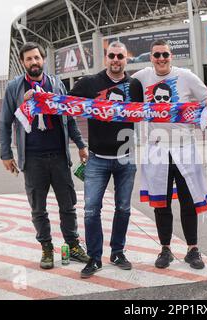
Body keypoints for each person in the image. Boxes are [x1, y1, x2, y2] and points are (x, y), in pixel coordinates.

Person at [131, 39, 207, 270]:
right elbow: (122, 95)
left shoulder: (186, 76)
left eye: (165, 55)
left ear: (172, 56)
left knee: (187, 200)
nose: (161, 59)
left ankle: (192, 249)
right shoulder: (141, 77)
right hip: (157, 148)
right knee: (160, 204)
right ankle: (165, 249)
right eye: (157, 55)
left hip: (184, 147)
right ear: (151, 57)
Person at [0, 42, 90, 269]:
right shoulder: (14, 88)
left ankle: (73, 245)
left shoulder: (56, 84)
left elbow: (68, 117)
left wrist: (80, 144)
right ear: (23, 63)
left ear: (43, 60)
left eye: (37, 58)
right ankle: (47, 249)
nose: (34, 62)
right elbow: (4, 122)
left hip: (59, 155)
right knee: (38, 208)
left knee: (67, 204)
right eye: (29, 59)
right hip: (32, 159)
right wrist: (5, 153)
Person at [67, 41, 143, 278]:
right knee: (91, 210)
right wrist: (37, 97)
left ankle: (118, 252)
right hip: (97, 158)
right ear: (106, 57)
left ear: (126, 59)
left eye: (120, 56)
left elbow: (146, 112)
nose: (116, 60)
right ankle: (95, 258)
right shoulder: (90, 83)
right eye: (112, 56)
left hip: (126, 158)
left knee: (123, 208)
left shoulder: (135, 85)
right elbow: (64, 103)